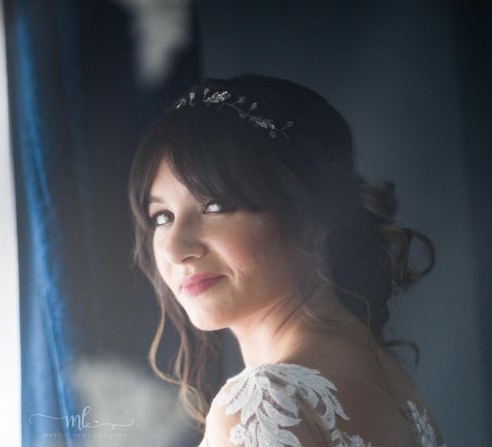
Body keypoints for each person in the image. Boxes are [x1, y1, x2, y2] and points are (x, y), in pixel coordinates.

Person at [127, 74, 445, 446]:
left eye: (215, 206)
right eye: (161, 217)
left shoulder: (260, 405)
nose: (176, 248)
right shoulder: (391, 380)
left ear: (310, 216)